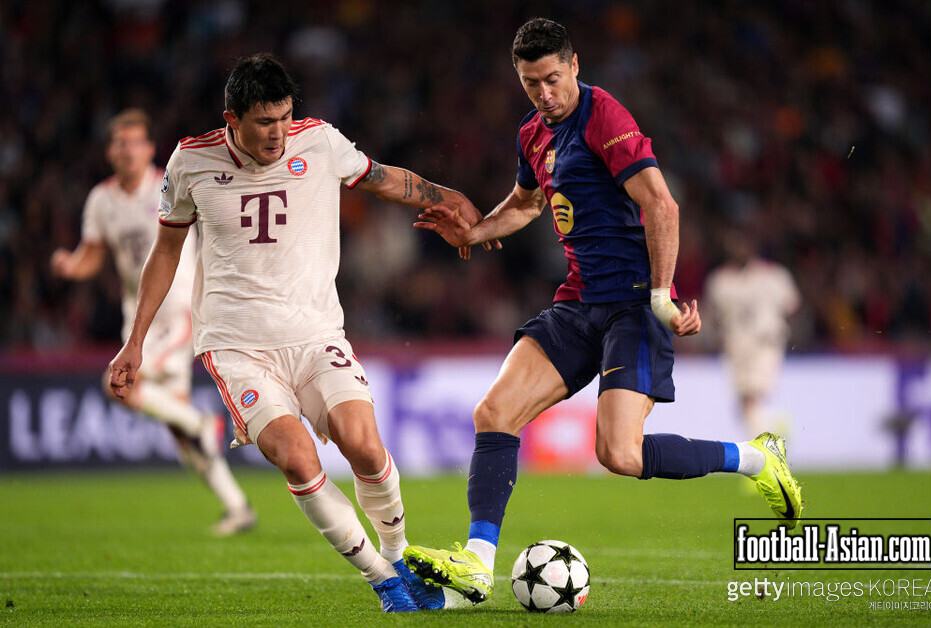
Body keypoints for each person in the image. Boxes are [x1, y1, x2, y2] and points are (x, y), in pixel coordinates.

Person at [402, 18, 803, 604]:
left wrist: (662, 297)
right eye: (530, 83)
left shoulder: (603, 116)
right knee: (493, 413)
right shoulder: (533, 134)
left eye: (552, 79)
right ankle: (476, 564)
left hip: (632, 308)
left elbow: (662, 206)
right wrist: (475, 229)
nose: (544, 94)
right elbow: (527, 202)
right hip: (577, 305)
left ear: (575, 67)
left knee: (619, 454)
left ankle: (755, 458)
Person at [107, 54, 484, 613]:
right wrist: (134, 340)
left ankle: (400, 554)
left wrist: (447, 196)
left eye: (285, 117)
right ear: (232, 118)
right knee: (298, 457)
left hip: (315, 332)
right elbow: (166, 250)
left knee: (364, 445)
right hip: (236, 346)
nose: (279, 133)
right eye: (264, 122)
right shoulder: (190, 160)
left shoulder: (321, 142)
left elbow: (382, 179)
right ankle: (384, 581)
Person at [51, 108, 256, 537]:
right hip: (139, 319)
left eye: (135, 142)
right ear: (110, 151)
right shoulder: (102, 200)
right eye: (120, 143)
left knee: (118, 384)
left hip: (178, 309)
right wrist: (72, 266)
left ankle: (201, 423)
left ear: (148, 149)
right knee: (178, 429)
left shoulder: (171, 184)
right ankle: (237, 506)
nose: (127, 151)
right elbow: (93, 254)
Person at [704, 232, 801, 437]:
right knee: (744, 403)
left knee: (753, 396)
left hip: (765, 344)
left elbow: (792, 307)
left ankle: (765, 447)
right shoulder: (719, 281)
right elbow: (713, 318)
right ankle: (774, 430)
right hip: (735, 348)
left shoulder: (774, 276)